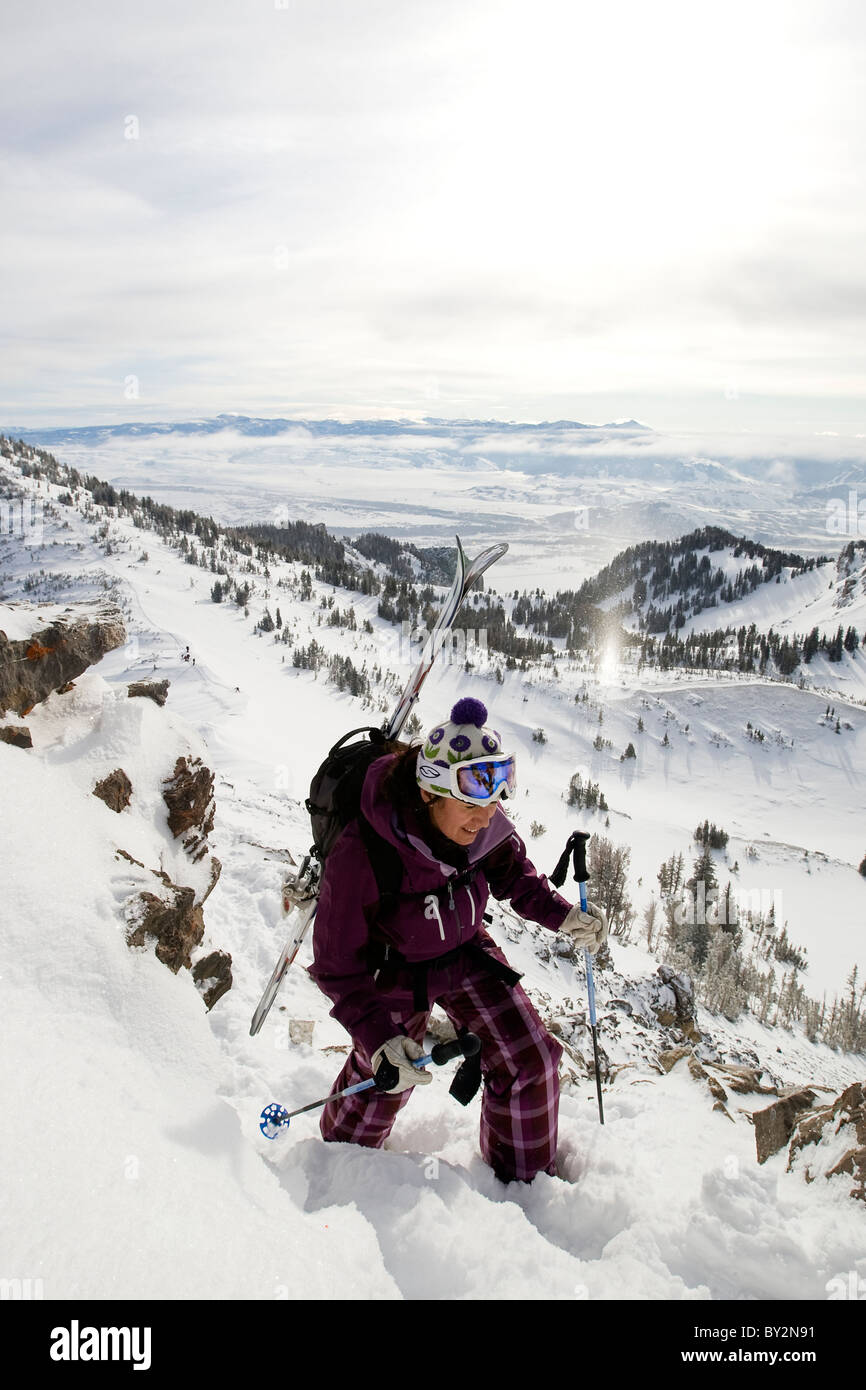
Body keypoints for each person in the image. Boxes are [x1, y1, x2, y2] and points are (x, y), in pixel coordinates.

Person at [308, 696, 607, 1183]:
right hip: (393, 967)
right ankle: (337, 1168)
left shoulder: (479, 824)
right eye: (471, 805)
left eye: (492, 803)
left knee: (531, 1062)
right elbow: (336, 963)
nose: (485, 818)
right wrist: (379, 1040)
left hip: (464, 948)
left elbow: (515, 875)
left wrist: (564, 917)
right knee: (386, 1079)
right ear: (430, 793)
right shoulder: (363, 850)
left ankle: (523, 1186)